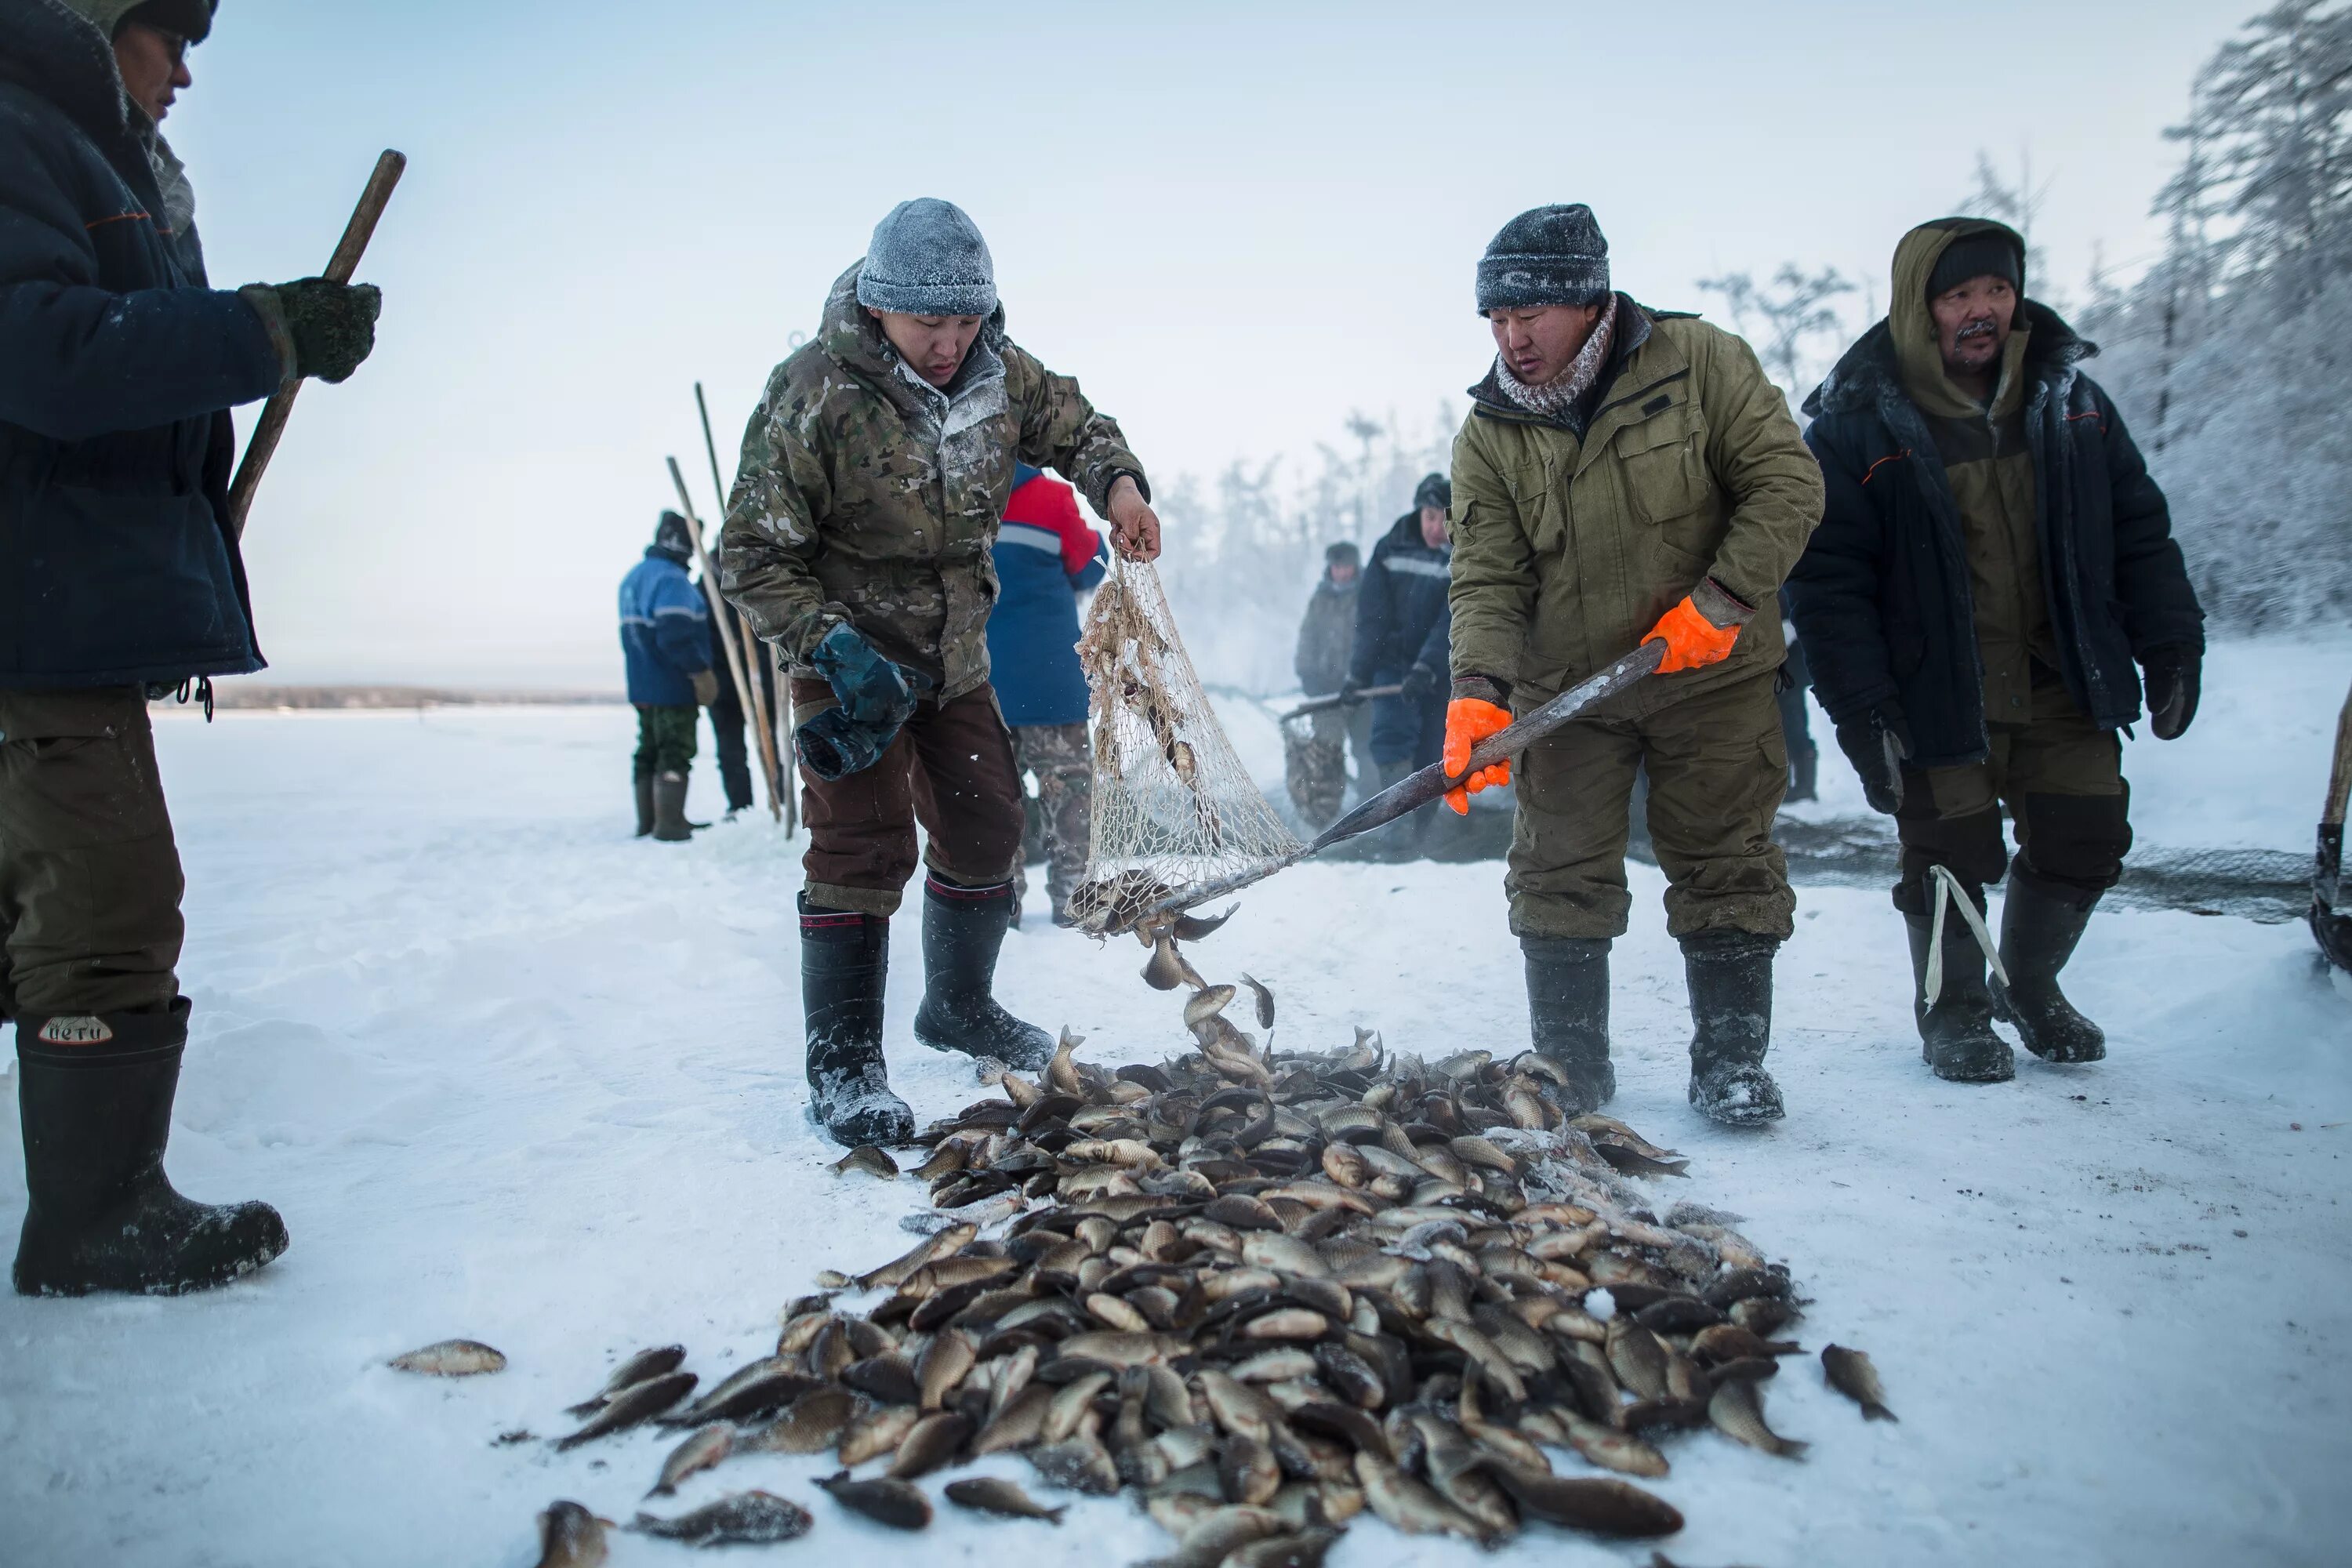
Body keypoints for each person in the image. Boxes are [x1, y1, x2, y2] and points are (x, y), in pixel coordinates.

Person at [0, 0, 381, 1295]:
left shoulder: (86, 165)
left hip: (56, 598)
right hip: (30, 610)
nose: (184, 75)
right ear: (98, 22)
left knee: (36, 909)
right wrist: (258, 333)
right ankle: (95, 1216)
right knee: (102, 908)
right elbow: (42, 354)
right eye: (170, 40)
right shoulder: (19, 132)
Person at [719, 198, 1160, 1145]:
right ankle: (843, 1064)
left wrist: (1119, 486)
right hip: (846, 663)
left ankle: (958, 1004)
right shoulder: (815, 393)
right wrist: (832, 646)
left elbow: (1079, 424)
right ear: (881, 307)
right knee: (864, 843)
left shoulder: (1000, 376)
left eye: (967, 321)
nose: (951, 342)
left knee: (991, 821)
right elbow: (751, 555)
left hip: (954, 663)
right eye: (931, 323)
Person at [1789, 218, 2203, 1083]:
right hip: (1938, 688)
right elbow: (1826, 582)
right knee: (1949, 858)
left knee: (2088, 833)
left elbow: (2139, 528)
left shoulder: (2072, 401)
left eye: (1998, 291)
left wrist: (2170, 638)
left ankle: (2031, 985)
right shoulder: (1858, 424)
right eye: (1959, 295)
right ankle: (1955, 1014)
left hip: (2063, 674)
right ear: (1919, 305)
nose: (1982, 311)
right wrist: (1863, 706)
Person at [1443, 204, 1824, 1126]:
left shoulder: (1702, 363)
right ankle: (1573, 1061)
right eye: (1496, 320)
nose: (1512, 337)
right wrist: (1477, 695)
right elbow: (1489, 576)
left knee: (1726, 859)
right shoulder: (1489, 432)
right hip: (1569, 695)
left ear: (1588, 300)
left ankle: (1730, 1059)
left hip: (1711, 673)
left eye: (1528, 315)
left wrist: (1724, 599)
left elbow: (1787, 481)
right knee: (1556, 868)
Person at [987, 463, 1106, 927]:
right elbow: (1091, 567)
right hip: (1052, 680)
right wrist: (1096, 542)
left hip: (984, 684)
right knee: (1072, 797)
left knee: (995, 802)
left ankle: (1001, 904)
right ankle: (1074, 898)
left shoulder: (963, 495)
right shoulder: (1053, 498)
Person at [1342, 474, 1455, 853]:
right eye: (1429, 517)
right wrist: (1358, 673)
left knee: (1434, 753)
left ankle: (1420, 833)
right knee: (1391, 740)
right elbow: (1371, 617)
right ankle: (1396, 837)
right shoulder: (1389, 548)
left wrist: (1427, 666)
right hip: (1392, 666)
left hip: (1438, 671)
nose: (1436, 528)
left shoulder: (1461, 555)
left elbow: (1452, 618)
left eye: (1443, 518)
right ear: (1418, 513)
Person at [619, 510, 718, 841]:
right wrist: (699, 671)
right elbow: (674, 634)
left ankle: (649, 821)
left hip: (642, 684)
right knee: (675, 749)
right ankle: (669, 823)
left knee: (648, 748)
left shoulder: (634, 577)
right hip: (673, 685)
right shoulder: (672, 580)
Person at [1288, 542, 1374, 826]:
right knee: (1327, 755)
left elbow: (1376, 636)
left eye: (1346, 566)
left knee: (1367, 751)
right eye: (1337, 566)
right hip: (1325, 694)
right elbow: (1307, 637)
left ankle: (1373, 813)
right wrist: (1308, 675)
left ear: (1355, 566)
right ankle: (1326, 820)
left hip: (1363, 690)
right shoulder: (1320, 599)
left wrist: (1365, 674)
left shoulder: (1369, 594)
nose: (1341, 572)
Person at [704, 601, 777, 818]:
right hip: (725, 687)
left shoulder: (754, 579)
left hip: (762, 683)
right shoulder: (705, 592)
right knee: (731, 750)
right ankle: (740, 807)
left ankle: (779, 801)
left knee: (772, 744)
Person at [1777, 587, 1818, 803]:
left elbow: (1793, 623)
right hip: (1782, 671)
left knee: (1795, 726)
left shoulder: (1787, 590)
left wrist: (1775, 638)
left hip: (1790, 672)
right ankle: (1794, 785)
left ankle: (1805, 787)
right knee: (1787, 726)